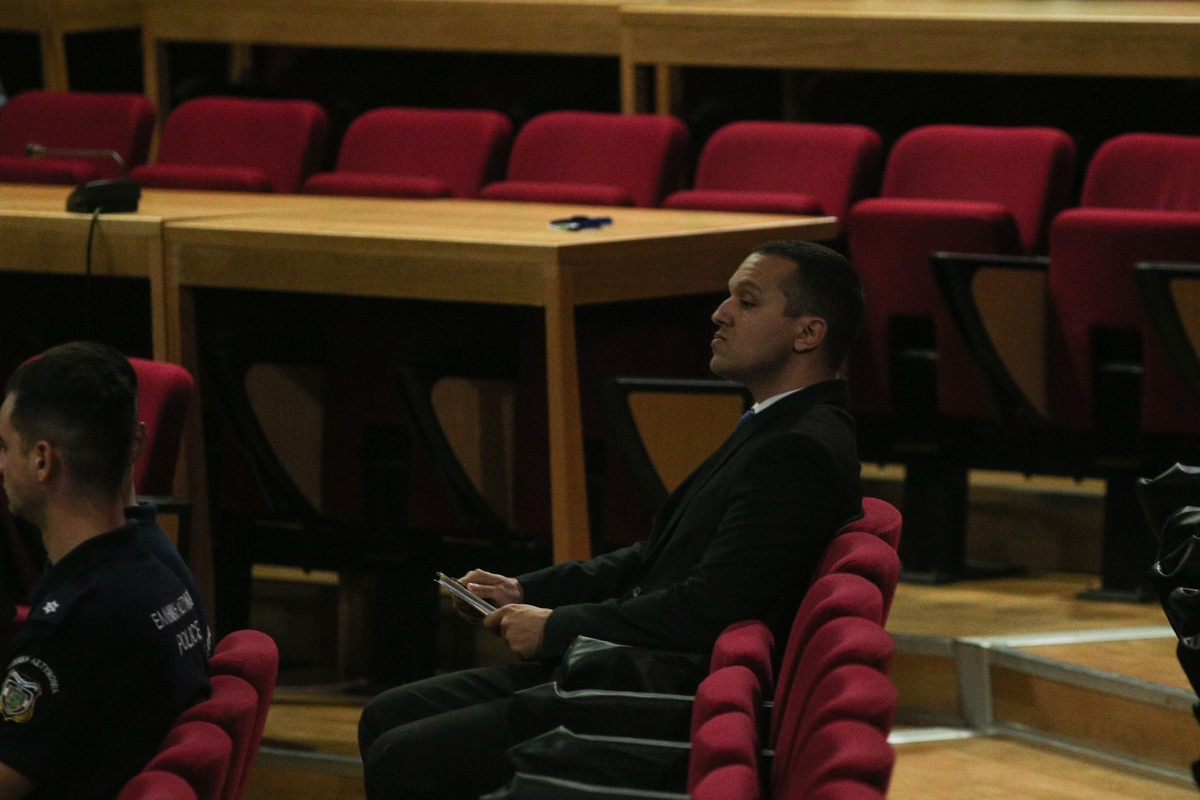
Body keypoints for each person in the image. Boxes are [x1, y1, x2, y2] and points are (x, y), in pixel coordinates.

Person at [359, 240, 865, 800]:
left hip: (659, 693)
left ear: (807, 333)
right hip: (639, 663)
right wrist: (526, 590)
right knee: (387, 714)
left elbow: (712, 608)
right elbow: (653, 558)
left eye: (746, 302)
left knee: (404, 757)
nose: (720, 314)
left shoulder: (798, 449)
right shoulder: (777, 425)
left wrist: (556, 626)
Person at [0, 342, 210, 800]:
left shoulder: (77, 625)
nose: (0, 465)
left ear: (42, 460)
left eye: (4, 447)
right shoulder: (155, 574)